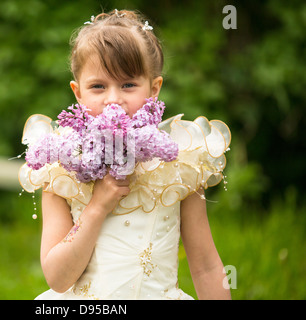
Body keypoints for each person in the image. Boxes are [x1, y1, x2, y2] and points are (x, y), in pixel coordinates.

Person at [19, 9, 232, 300]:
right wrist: (96, 207)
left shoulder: (178, 166)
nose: (114, 100)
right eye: (98, 86)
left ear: (153, 88)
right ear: (78, 92)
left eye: (128, 84)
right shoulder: (61, 168)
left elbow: (206, 267)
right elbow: (57, 277)